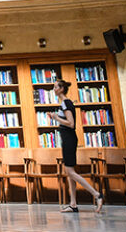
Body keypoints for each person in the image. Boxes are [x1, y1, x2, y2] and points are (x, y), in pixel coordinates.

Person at [50, 79, 104, 213]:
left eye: (56, 87)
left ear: (62, 89)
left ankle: (97, 194)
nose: (54, 89)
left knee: (70, 172)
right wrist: (56, 118)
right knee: (70, 173)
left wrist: (56, 118)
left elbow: (71, 123)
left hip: (69, 139)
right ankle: (73, 204)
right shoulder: (64, 103)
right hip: (67, 139)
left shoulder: (66, 103)